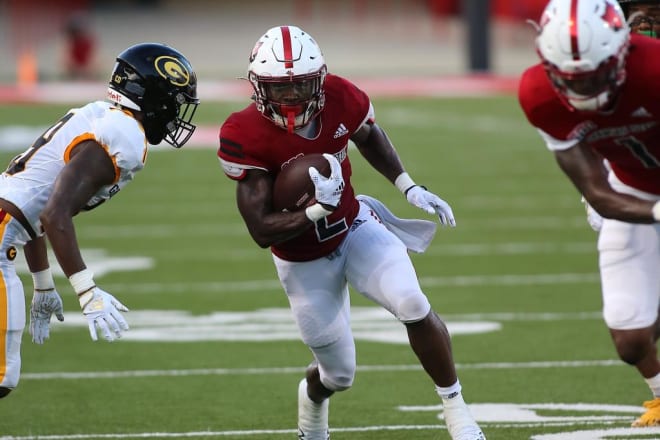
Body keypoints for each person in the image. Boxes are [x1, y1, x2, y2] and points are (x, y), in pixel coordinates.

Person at [217, 25, 485, 440]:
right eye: (280, 89)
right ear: (257, 87)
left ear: (320, 80)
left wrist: (408, 185)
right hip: (301, 258)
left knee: (412, 301)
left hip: (354, 227)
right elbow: (260, 230)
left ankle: (458, 411)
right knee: (339, 375)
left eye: (301, 87)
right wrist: (315, 211)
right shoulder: (243, 133)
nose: (291, 99)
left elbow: (368, 135)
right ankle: (312, 406)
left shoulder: (341, 97)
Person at [0, 42, 199, 399]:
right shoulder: (123, 133)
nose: (175, 113)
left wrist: (44, 284)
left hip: (5, 229)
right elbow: (54, 213)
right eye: (175, 101)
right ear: (154, 96)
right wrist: (86, 291)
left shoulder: (100, 115)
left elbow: (31, 209)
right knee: (2, 377)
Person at [518, 0, 660, 428]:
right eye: (570, 78)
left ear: (621, 52)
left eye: (596, 74)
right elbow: (597, 194)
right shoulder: (539, 94)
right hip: (630, 189)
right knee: (630, 339)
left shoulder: (653, 71)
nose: (583, 88)